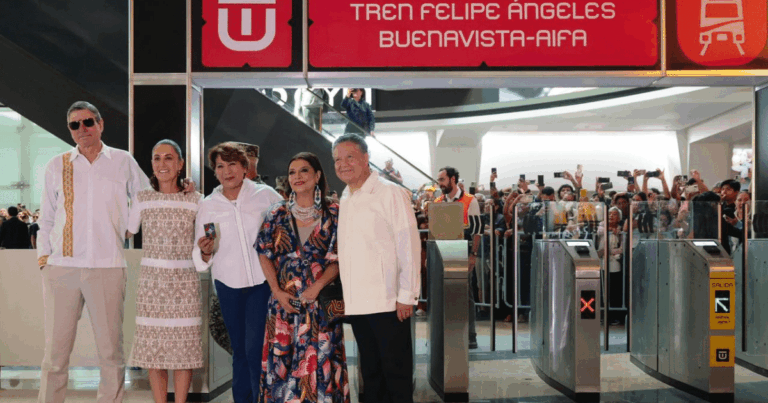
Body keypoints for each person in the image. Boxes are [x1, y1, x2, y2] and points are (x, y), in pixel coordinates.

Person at [36, 101, 150, 403]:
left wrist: (130, 227)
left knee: (111, 350)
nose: (82, 129)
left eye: (87, 122)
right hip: (62, 267)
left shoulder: (122, 161)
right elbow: (45, 218)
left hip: (108, 265)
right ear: (70, 130)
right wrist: (44, 259)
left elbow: (144, 194)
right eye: (75, 125)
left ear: (100, 124)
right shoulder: (57, 165)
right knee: (55, 352)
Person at [256, 152, 350, 402]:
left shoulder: (334, 213)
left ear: (317, 175)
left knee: (322, 366)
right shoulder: (276, 213)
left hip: (321, 306)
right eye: (292, 172)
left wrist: (317, 286)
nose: (297, 177)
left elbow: (339, 257)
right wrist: (276, 290)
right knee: (282, 369)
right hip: (283, 305)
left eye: (304, 170)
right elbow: (263, 253)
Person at [333, 133, 419, 403]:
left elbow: (409, 244)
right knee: (371, 374)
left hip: (388, 302)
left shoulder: (389, 192)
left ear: (366, 158)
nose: (343, 164)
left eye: (350, 157)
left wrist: (407, 295)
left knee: (396, 375)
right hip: (358, 304)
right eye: (337, 159)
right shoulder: (346, 197)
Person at [193, 142, 282, 403]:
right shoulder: (208, 205)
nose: (226, 171)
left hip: (261, 283)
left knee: (255, 348)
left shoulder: (265, 195)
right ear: (215, 172)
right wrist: (205, 251)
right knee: (240, 350)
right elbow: (200, 254)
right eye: (220, 166)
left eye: (232, 164)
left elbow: (287, 227)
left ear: (245, 168)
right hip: (228, 285)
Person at [126, 140, 203, 403]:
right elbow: (128, 229)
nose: (162, 164)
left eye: (169, 158)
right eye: (156, 158)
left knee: (184, 352)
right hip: (151, 287)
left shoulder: (196, 200)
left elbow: (205, 241)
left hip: (185, 285)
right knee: (153, 353)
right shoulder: (142, 198)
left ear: (180, 164)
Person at [434, 166, 482, 348]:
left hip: (463, 251)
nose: (439, 184)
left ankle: (470, 334)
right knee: (444, 292)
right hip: (442, 252)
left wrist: (473, 255)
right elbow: (434, 231)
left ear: (452, 179)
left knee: (465, 293)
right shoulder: (438, 201)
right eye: (439, 180)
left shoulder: (470, 200)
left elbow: (477, 231)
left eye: (442, 180)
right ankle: (447, 332)